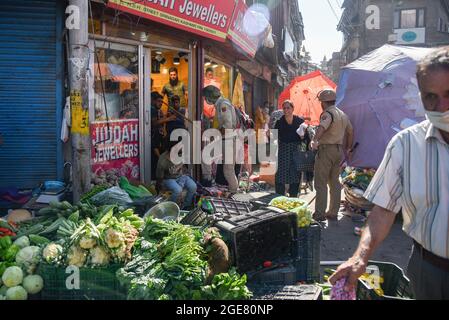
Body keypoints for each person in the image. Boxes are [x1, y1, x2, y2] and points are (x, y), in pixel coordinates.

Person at [329, 47, 449, 300]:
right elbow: (383, 210)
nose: (442, 107)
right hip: (428, 270)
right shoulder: (405, 144)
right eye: (430, 97)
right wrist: (360, 257)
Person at [310, 89, 354, 221]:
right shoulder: (343, 114)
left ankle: (319, 214)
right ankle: (333, 212)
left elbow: (322, 128)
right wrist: (349, 148)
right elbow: (350, 132)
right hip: (339, 151)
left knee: (321, 183)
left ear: (323, 102)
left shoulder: (328, 113)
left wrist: (314, 140)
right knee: (334, 182)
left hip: (326, 150)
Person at [202, 85, 239, 195]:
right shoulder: (220, 104)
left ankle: (233, 192)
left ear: (210, 96)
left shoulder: (223, 104)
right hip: (224, 140)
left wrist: (215, 135)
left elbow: (227, 125)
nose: (205, 100)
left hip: (227, 140)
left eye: (206, 97)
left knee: (228, 170)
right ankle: (208, 181)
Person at [156, 139, 197, 210]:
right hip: (168, 179)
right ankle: (170, 207)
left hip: (181, 176)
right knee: (177, 190)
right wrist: (160, 187)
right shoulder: (163, 160)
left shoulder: (182, 154)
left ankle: (186, 206)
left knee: (193, 186)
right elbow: (159, 176)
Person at [274, 100, 304, 198]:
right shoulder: (279, 122)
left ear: (292, 109)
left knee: (295, 174)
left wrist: (303, 136)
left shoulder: (299, 121)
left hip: (296, 150)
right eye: (284, 108)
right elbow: (274, 136)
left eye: (288, 108)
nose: (286, 110)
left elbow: (306, 137)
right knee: (281, 175)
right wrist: (269, 135)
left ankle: (293, 197)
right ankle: (279, 197)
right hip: (283, 150)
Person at [151, 91, 176, 179]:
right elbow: (154, 123)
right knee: (156, 161)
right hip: (154, 138)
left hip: (158, 138)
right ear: (152, 101)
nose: (161, 104)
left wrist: (165, 117)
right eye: (158, 101)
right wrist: (168, 119)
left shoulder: (157, 111)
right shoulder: (152, 110)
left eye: (162, 102)